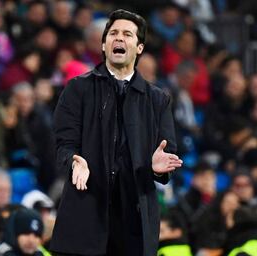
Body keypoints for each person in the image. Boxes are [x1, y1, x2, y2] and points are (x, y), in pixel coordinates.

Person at [50, 9, 182, 256]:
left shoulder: (157, 99)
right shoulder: (78, 89)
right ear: (104, 44)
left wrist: (156, 167)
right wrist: (74, 162)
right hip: (86, 212)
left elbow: (168, 152)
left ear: (139, 48)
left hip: (133, 221)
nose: (119, 38)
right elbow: (62, 145)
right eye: (113, 33)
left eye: (127, 34)